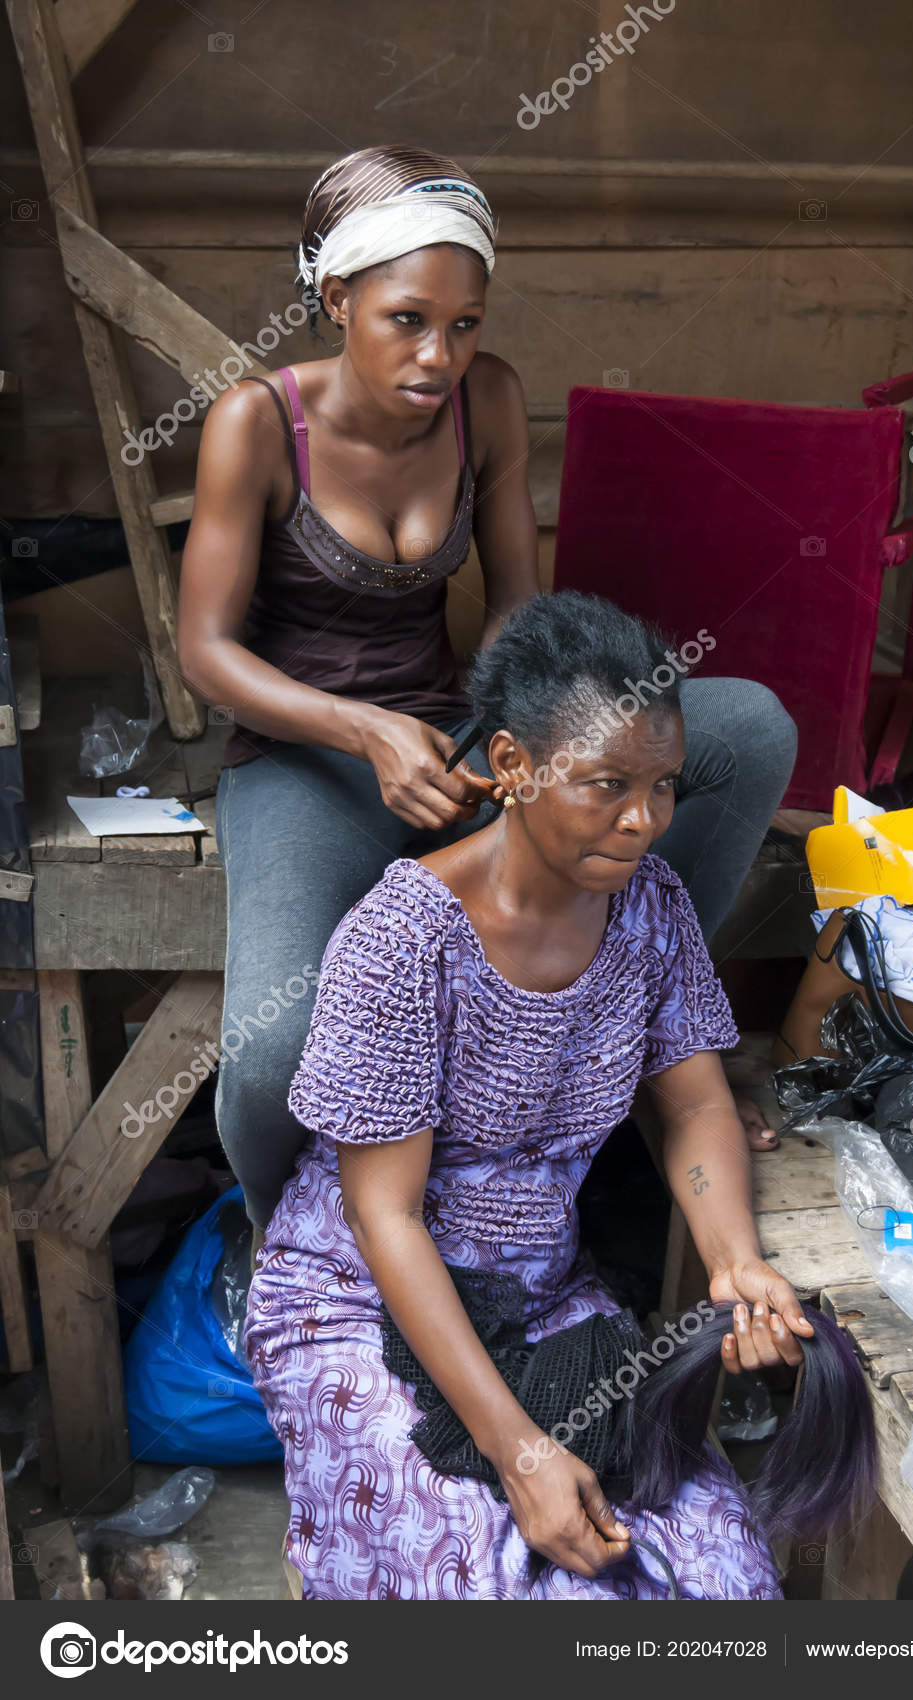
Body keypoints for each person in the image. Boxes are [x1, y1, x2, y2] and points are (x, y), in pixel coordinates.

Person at [177, 143, 797, 1233]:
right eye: (407, 320)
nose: (440, 354)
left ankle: (642, 1018)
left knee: (749, 727)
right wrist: (366, 732)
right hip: (307, 759)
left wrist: (506, 746)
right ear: (336, 298)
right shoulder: (257, 423)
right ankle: (295, 1255)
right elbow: (207, 652)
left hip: (460, 737)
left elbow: (517, 604)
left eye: (464, 324)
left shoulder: (488, 402)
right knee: (277, 1046)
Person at [244, 591, 812, 1601]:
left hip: (542, 1296)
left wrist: (735, 1262)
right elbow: (387, 1212)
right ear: (511, 766)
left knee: (711, 1573)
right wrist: (520, 1453)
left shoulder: (651, 907)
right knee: (494, 1578)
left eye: (661, 786)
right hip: (362, 1299)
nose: (642, 820)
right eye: (605, 784)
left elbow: (688, 1104)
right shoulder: (404, 940)